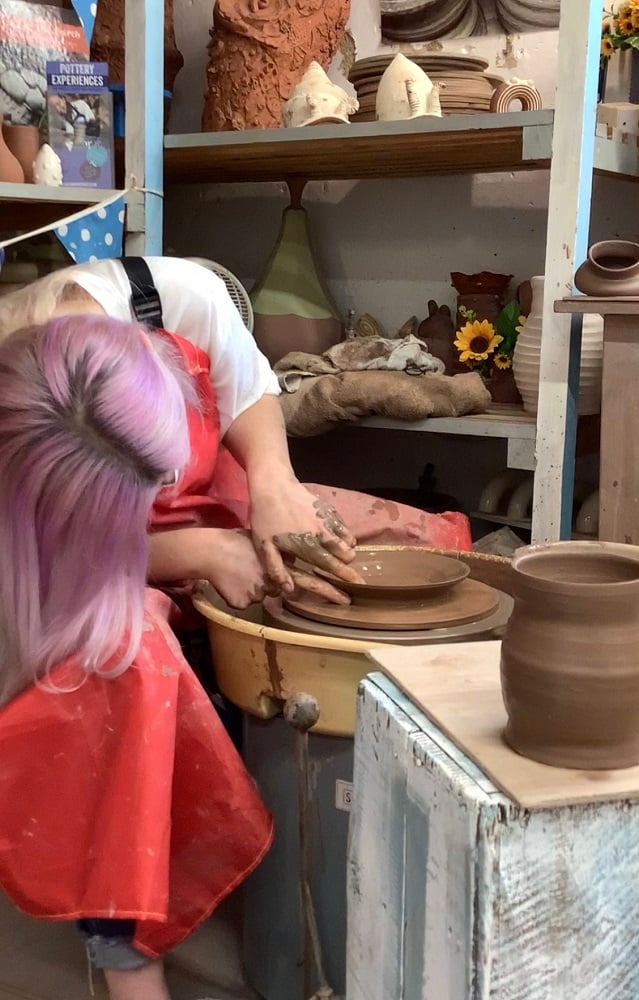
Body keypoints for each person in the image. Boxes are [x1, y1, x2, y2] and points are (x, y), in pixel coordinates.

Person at [0, 313, 274, 1000]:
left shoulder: (156, 349)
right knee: (127, 676)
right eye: (142, 500)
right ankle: (122, 948)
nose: (160, 498)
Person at [0, 257, 471, 610]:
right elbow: (36, 560)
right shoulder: (18, 405)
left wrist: (274, 485)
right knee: (140, 646)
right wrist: (198, 552)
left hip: (212, 494)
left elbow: (247, 388)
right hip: (87, 558)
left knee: (412, 541)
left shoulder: (177, 296)